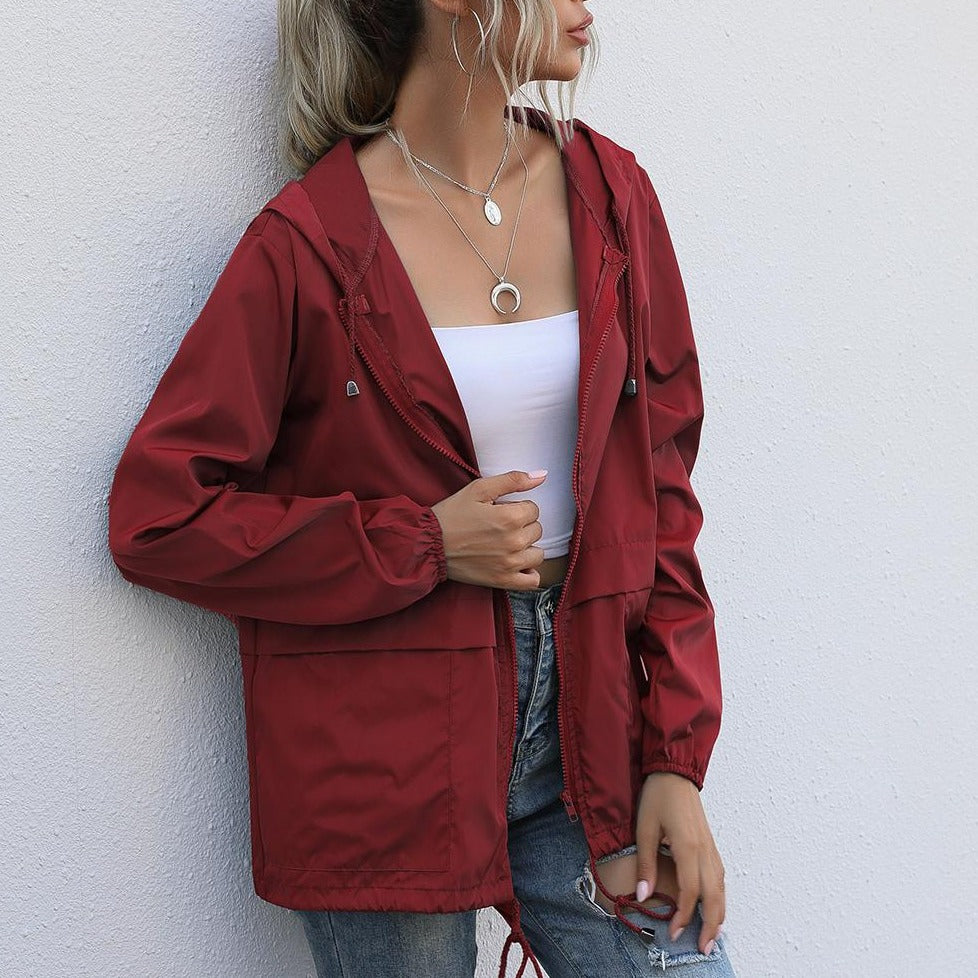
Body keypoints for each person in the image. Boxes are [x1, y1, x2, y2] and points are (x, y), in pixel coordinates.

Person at [108, 2, 737, 976]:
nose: (586, 9)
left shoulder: (612, 197)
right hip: (383, 757)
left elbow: (661, 488)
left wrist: (674, 758)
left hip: (591, 738)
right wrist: (421, 543)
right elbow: (159, 516)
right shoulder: (310, 243)